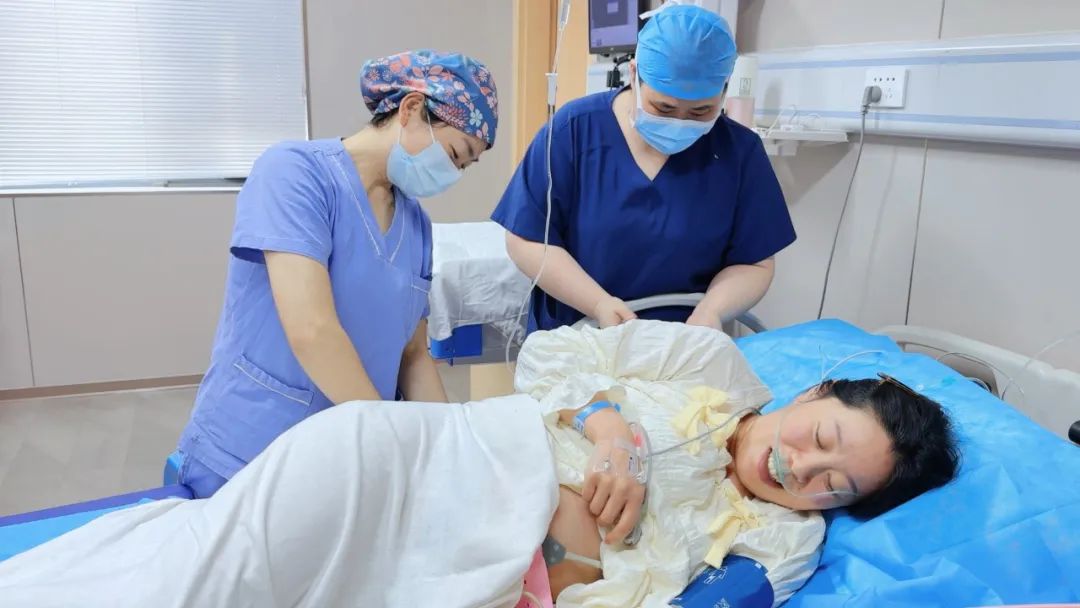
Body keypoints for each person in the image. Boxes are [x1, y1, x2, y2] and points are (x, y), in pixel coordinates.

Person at [0, 322, 959, 608]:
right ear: (809, 393)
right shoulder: (711, 364)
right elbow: (552, 354)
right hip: (421, 469)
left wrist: (565, 575)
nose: (802, 471)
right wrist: (611, 428)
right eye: (820, 437)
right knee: (206, 579)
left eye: (836, 486)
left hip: (487, 577)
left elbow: (698, 600)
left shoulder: (781, 538)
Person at [174, 49, 500, 498]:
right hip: (251, 454)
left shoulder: (417, 228)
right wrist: (387, 436)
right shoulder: (294, 174)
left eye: (463, 167)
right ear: (410, 109)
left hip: (344, 463)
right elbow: (312, 330)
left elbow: (413, 355)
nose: (452, 174)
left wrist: (448, 447)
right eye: (454, 154)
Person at [492, 4, 796, 333]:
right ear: (634, 74)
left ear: (724, 90)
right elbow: (527, 239)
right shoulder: (574, 131)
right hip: (579, 338)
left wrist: (711, 311)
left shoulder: (739, 152)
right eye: (663, 107)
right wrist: (598, 304)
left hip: (685, 342)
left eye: (700, 112)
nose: (679, 121)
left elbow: (754, 263)